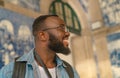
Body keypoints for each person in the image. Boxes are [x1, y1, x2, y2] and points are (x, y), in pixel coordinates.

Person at [0, 15, 80, 78]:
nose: (67, 33)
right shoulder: (10, 72)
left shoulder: (70, 72)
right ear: (42, 36)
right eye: (61, 28)